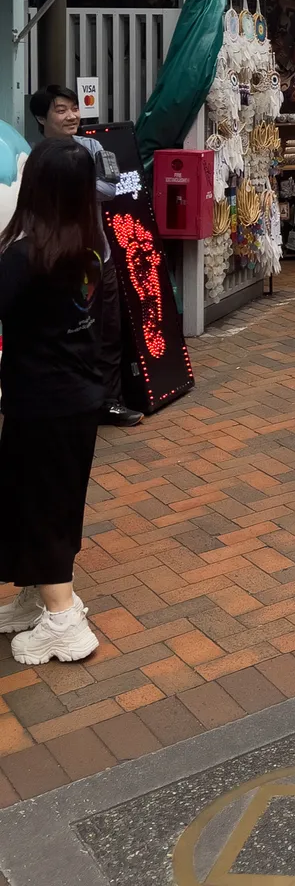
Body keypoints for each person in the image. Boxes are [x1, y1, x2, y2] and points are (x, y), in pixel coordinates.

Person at [0, 138, 108, 663]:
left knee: (43, 506)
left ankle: (64, 621)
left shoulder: (24, 256)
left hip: (41, 403)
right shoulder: (90, 247)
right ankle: (32, 597)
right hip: (78, 398)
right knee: (43, 499)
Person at [29, 85, 142, 428]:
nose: (72, 116)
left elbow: (111, 187)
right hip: (57, 261)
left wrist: (68, 182)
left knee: (107, 330)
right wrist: (83, 179)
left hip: (98, 256)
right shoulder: (34, 156)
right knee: (66, 332)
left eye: (74, 108)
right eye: (61, 110)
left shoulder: (93, 145)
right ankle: (69, 400)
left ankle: (108, 401)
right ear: (41, 117)